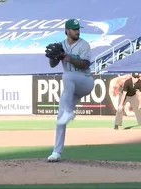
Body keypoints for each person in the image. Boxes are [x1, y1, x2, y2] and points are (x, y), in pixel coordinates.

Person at [46, 19, 95, 162]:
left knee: (67, 75)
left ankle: (68, 112)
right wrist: (54, 56)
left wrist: (66, 57)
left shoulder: (84, 45)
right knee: (60, 118)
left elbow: (85, 64)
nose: (77, 31)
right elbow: (53, 65)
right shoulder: (61, 45)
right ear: (66, 31)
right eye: (74, 29)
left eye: (78, 29)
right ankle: (56, 152)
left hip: (85, 82)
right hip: (71, 86)